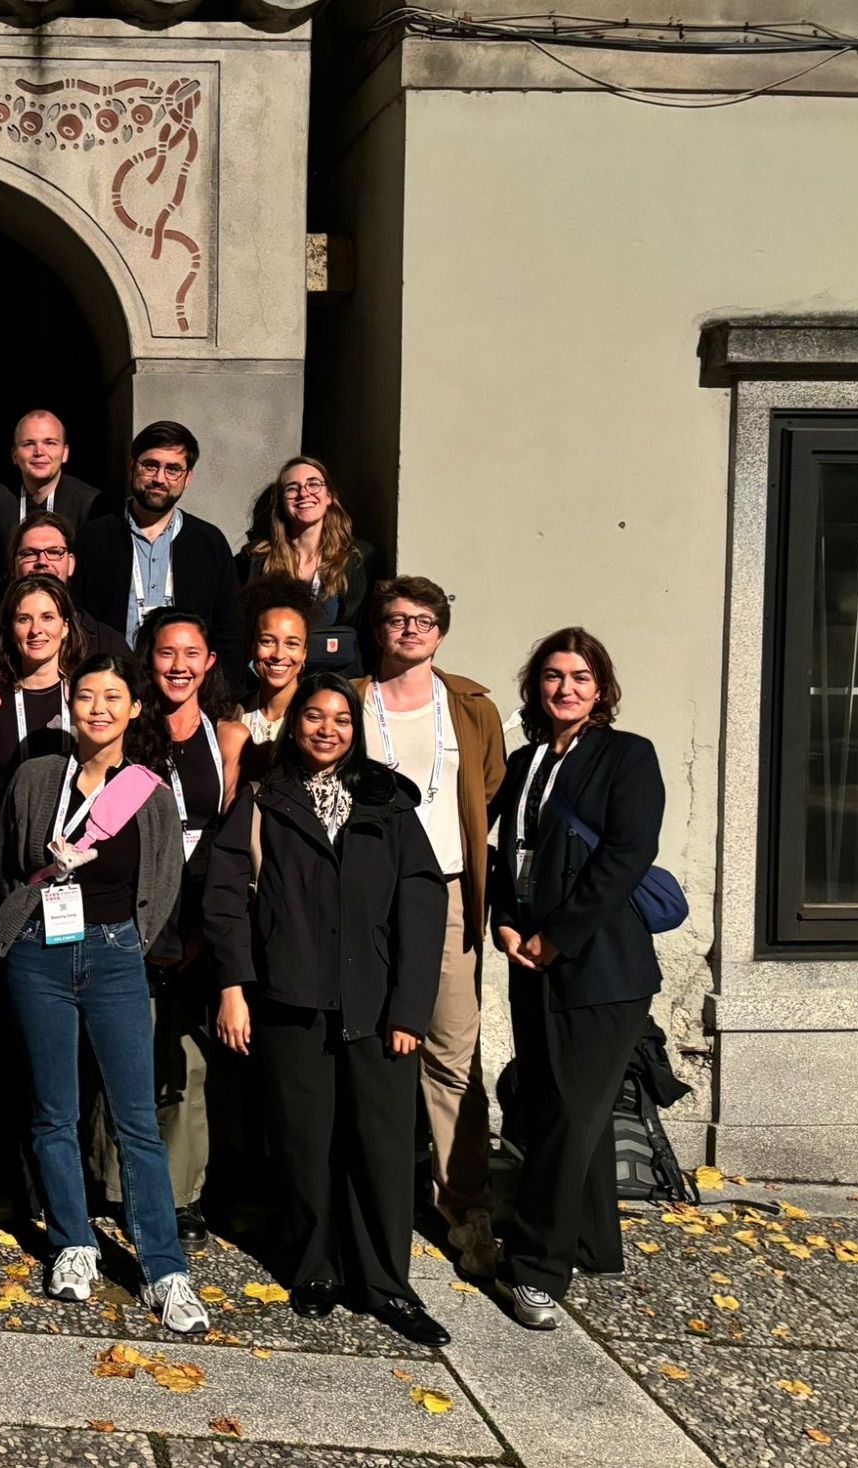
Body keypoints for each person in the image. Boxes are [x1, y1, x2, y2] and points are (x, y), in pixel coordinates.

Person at [202, 673, 450, 1347]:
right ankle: (314, 1269)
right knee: (305, 1143)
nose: (327, 729)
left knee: (382, 1147)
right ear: (295, 724)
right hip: (291, 1000)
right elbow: (225, 899)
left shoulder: (388, 802)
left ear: (356, 728)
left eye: (340, 719)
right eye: (314, 716)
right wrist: (234, 986)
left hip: (377, 1007)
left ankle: (385, 1284)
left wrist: (409, 1010)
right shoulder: (262, 800)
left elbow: (422, 909)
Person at [0, 654, 209, 1335]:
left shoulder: (148, 789)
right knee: (53, 1112)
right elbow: (11, 862)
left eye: (112, 697)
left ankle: (164, 1268)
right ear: (69, 704)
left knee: (135, 1117)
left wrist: (129, 946)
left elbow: (165, 879)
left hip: (116, 955)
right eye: (86, 696)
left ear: (134, 708)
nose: (98, 709)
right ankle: (73, 1243)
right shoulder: (36, 777)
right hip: (38, 957)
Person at [489, 628, 664, 1331]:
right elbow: (503, 851)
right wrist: (504, 921)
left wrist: (557, 938)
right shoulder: (526, 760)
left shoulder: (628, 756)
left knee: (570, 1114)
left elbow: (626, 855)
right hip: (531, 959)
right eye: (554, 676)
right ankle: (592, 1240)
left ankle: (537, 1267)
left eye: (581, 676)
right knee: (558, 1104)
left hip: (601, 966)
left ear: (602, 688)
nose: (566, 687)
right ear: (536, 687)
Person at [353, 576, 506, 1276]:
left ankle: (462, 1203)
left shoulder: (471, 706)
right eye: (395, 620)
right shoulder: (352, 702)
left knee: (450, 1049)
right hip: (364, 892)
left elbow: (491, 784)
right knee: (362, 1038)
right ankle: (368, 1189)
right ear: (377, 630)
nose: (409, 630)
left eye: (423, 620)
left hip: (445, 892)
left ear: (440, 631)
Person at [89, 610, 248, 1253]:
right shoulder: (130, 730)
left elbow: (232, 835)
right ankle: (113, 1184)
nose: (178, 665)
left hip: (199, 913)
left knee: (186, 1061)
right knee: (121, 1051)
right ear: (147, 659)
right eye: (164, 653)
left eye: (191, 653)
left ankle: (181, 1195)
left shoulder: (229, 738)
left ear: (209, 661)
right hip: (130, 909)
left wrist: (211, 924)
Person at [72, 421, 243, 679]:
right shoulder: (92, 539)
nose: (160, 478)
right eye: (150, 465)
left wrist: (226, 699)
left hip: (185, 688)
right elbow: (75, 620)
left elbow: (229, 629)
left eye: (173, 469)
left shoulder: (209, 543)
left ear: (188, 478)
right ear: (132, 466)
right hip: (110, 690)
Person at [0, 574, 88, 816]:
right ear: (10, 629)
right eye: (23, 619)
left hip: (75, 839)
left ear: (66, 627)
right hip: (4, 842)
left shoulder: (88, 695)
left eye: (47, 617)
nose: (35, 630)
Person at [244, 456, 372, 677]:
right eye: (292, 489)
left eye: (314, 484)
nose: (304, 494)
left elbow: (367, 632)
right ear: (282, 503)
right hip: (274, 682)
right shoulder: (256, 559)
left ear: (329, 495)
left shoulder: (357, 559)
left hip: (336, 683)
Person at [0, 409, 100, 610]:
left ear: (65, 453)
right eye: (29, 444)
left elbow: (96, 580)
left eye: (50, 443)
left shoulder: (90, 503)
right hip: (4, 620)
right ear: (14, 455)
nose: (39, 452)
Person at [9, 513, 129, 658]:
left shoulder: (107, 644)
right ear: (13, 566)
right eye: (29, 554)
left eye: (54, 552)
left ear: (71, 564)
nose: (42, 561)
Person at [239, 577, 318, 751]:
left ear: (304, 652)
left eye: (292, 644)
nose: (279, 655)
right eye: (268, 641)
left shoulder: (319, 718)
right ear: (253, 647)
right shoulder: (233, 714)